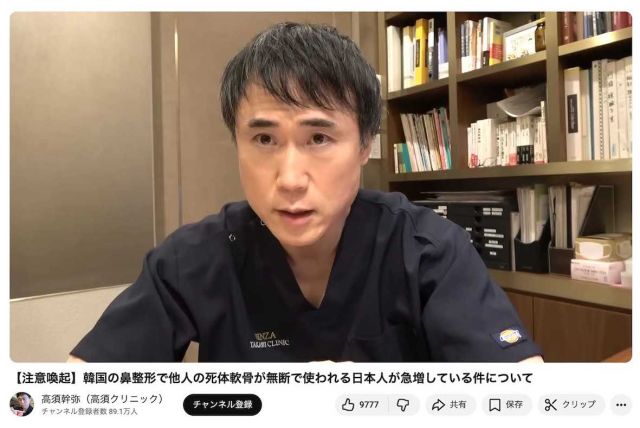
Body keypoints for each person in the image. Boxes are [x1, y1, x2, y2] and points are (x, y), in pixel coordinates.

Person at [68, 22, 542, 363]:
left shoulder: (426, 249)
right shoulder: (195, 258)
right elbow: (81, 391)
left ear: (365, 145)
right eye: (264, 139)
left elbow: (522, 393)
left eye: (318, 138)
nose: (291, 178)